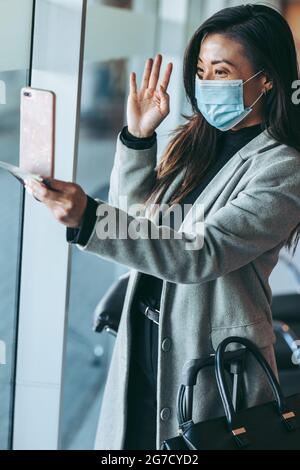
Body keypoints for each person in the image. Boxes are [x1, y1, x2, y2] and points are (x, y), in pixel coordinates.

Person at [25, 4, 300, 450]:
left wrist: (88, 218)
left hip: (211, 363)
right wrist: (138, 138)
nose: (207, 84)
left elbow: (201, 252)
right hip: (148, 337)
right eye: (202, 71)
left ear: (266, 79)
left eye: (223, 71)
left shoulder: (283, 167)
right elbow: (139, 222)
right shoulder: (197, 142)